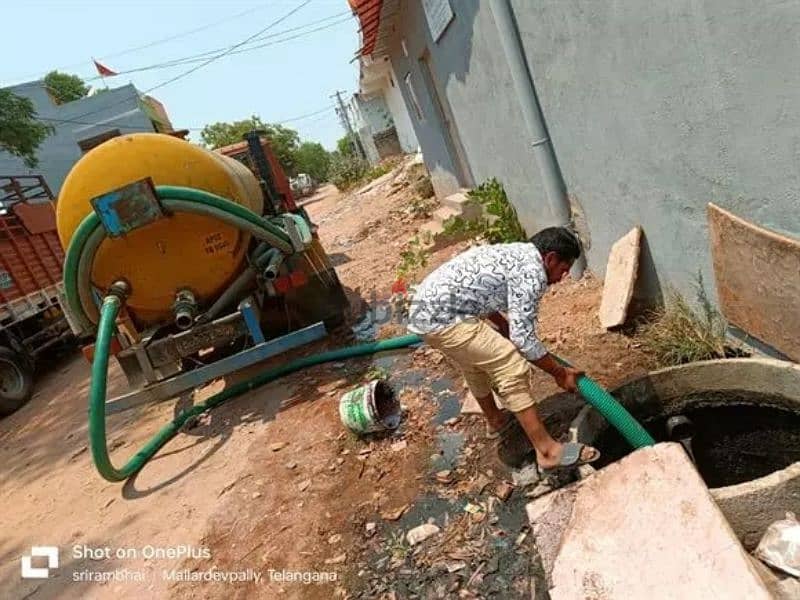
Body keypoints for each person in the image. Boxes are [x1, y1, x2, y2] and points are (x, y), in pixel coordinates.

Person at [406, 227, 599, 471]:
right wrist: (560, 373)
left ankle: (496, 420)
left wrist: (501, 325)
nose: (563, 277)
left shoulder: (516, 253)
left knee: (476, 361)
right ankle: (548, 452)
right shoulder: (533, 273)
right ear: (549, 258)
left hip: (427, 312)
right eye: (563, 269)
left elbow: (480, 291)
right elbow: (524, 340)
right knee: (509, 362)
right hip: (442, 318)